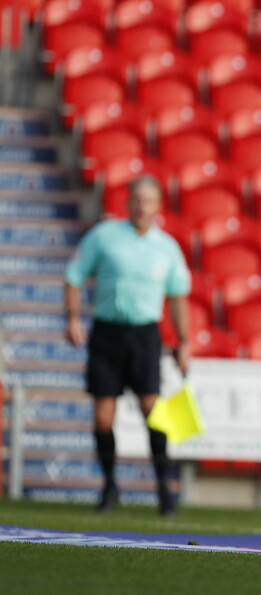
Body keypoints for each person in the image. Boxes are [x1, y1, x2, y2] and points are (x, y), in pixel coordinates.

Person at [64, 175, 191, 516]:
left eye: (148, 201)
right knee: (103, 416)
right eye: (136, 199)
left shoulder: (167, 247)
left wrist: (185, 341)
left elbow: (178, 298)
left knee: (153, 410)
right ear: (127, 202)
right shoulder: (104, 237)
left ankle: (165, 488)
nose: (141, 206)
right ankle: (109, 485)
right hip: (107, 332)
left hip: (145, 335)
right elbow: (74, 275)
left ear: (158, 206)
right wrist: (73, 316)